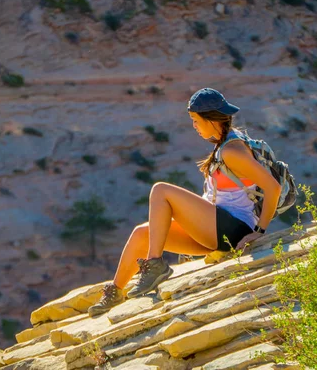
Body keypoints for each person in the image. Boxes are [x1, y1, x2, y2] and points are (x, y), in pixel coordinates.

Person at [87, 87, 282, 316]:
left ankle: (155, 264)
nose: (194, 126)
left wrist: (259, 231)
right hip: (216, 228)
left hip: (235, 229)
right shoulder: (223, 145)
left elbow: (273, 187)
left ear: (210, 119)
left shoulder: (232, 150)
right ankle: (115, 292)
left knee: (160, 190)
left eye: (195, 120)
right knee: (142, 233)